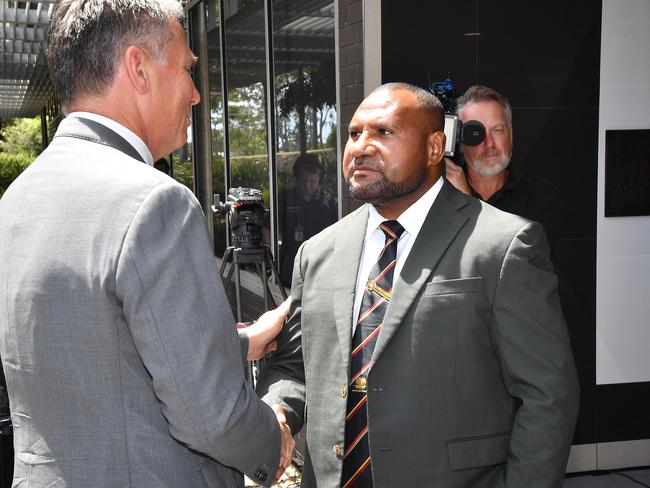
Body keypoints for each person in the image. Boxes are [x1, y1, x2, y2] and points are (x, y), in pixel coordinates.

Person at [0, 1, 293, 486]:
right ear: (138, 68)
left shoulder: (15, 199)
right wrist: (272, 439)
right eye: (187, 70)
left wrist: (237, 344)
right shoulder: (155, 202)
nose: (196, 94)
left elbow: (89, 345)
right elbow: (209, 415)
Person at [256, 82, 579, 487]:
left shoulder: (504, 245)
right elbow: (293, 364)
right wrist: (278, 408)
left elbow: (548, 395)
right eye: (355, 134)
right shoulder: (317, 252)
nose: (361, 147)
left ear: (434, 148)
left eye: (384, 132)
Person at [445, 84, 559, 241]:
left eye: (497, 130)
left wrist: (466, 201)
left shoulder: (538, 196)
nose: (489, 144)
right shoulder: (441, 196)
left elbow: (515, 260)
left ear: (511, 135)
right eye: (476, 133)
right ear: (460, 143)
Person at [278, 153, 337, 286]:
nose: (308, 186)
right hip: (291, 266)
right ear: (297, 178)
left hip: (322, 266)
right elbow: (267, 225)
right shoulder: (286, 199)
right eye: (304, 181)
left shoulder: (330, 202)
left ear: (319, 179)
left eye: (312, 181)